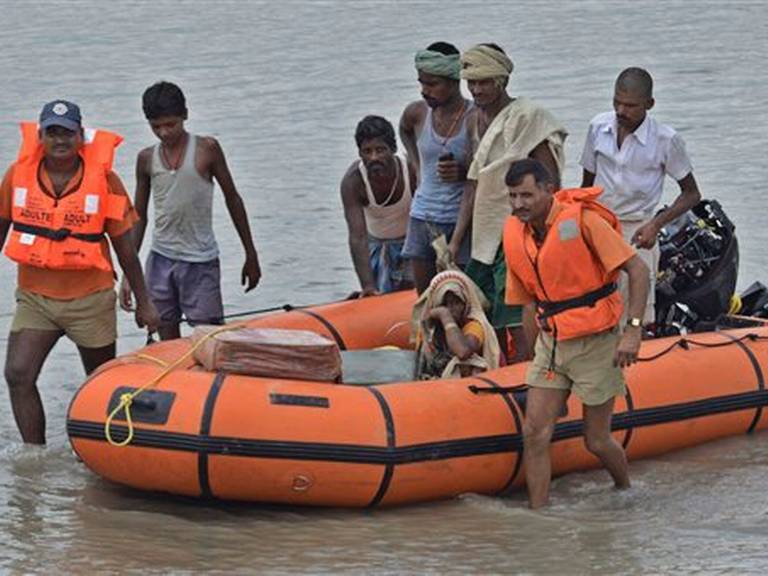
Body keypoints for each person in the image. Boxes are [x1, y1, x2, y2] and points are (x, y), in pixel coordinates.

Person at [0, 100, 160, 444]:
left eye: (67, 132)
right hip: (35, 298)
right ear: (40, 135)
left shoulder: (106, 180)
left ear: (80, 135)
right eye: (52, 132)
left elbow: (125, 248)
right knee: (17, 373)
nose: (60, 140)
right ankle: (35, 455)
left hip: (90, 298)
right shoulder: (17, 175)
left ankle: (101, 452)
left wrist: (145, 301)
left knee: (99, 381)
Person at [502, 158, 649, 509]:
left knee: (596, 440)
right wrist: (530, 356)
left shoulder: (583, 222)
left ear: (548, 190)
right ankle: (539, 516)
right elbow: (527, 301)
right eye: (512, 196)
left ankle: (626, 491)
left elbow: (638, 269)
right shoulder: (515, 234)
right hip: (551, 346)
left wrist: (632, 332)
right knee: (534, 433)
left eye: (526, 195)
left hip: (596, 342)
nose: (519, 204)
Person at [452, 43, 567, 362]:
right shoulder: (474, 119)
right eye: (471, 83)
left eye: (484, 82)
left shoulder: (528, 117)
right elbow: (473, 183)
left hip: (521, 228)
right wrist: (456, 241)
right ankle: (502, 374)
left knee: (517, 311)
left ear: (501, 81)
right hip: (486, 233)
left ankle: (527, 375)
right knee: (487, 310)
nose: (476, 89)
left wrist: (544, 233)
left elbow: (551, 181)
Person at [120, 81, 261, 340]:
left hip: (200, 262)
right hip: (160, 260)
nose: (163, 132)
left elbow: (233, 199)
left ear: (185, 115)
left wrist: (250, 254)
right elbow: (138, 217)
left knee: (209, 336)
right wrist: (130, 275)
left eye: (170, 124)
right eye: (156, 126)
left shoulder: (207, 150)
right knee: (165, 334)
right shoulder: (145, 159)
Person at [580, 67, 702, 324]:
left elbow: (691, 194)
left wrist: (655, 225)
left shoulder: (665, 140)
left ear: (650, 104)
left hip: (637, 230)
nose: (621, 111)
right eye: (617, 102)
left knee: (637, 311)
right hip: (597, 224)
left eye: (631, 105)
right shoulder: (597, 127)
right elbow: (586, 184)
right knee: (594, 303)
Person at [399, 41, 473, 294]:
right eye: (421, 83)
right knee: (427, 299)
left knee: (461, 297)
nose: (424, 90)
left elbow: (482, 172)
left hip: (458, 219)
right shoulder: (417, 113)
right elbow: (405, 131)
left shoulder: (474, 117)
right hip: (422, 217)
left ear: (453, 81)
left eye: (432, 84)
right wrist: (417, 165)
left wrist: (463, 172)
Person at [340, 115, 415, 296]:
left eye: (380, 150)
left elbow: (426, 218)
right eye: (367, 151)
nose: (374, 157)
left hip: (412, 243)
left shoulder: (411, 171)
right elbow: (357, 237)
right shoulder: (353, 182)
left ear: (393, 149)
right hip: (378, 248)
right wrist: (368, 286)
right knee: (379, 295)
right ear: (359, 153)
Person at [415, 270, 500, 379]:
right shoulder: (429, 329)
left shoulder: (475, 325)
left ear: (465, 303)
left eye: (456, 303)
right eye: (445, 304)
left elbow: (462, 352)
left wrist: (445, 316)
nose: (451, 309)